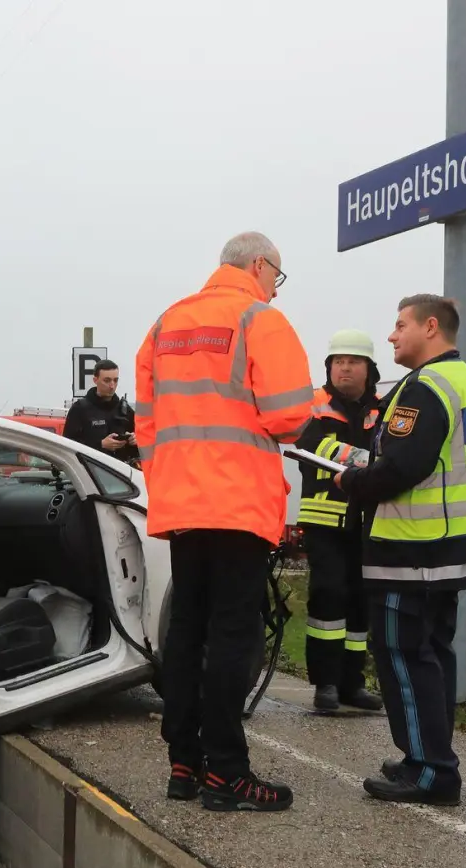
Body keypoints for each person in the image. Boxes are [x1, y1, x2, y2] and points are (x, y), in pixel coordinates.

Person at [134, 231, 315, 812]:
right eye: (277, 277)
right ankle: (228, 774)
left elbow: (146, 424)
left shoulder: (165, 324)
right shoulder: (259, 319)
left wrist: (170, 476)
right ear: (259, 265)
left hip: (182, 505)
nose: (275, 290)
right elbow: (290, 415)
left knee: (186, 632)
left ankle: (184, 764)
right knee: (234, 637)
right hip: (237, 505)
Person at [334, 294, 466, 807]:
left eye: (400, 325)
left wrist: (352, 481)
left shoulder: (424, 387)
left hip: (413, 547)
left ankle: (430, 770)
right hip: (454, 545)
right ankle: (428, 754)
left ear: (431, 327)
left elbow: (402, 467)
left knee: (404, 654)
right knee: (435, 654)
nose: (391, 336)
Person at [294, 329, 385, 713]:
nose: (344, 367)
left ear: (369, 368)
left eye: (353, 361)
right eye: (338, 361)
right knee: (328, 596)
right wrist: (368, 461)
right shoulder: (314, 403)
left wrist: (378, 461)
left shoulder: (384, 407)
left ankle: (352, 683)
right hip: (324, 520)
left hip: (367, 520)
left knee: (360, 602)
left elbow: (394, 449)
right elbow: (311, 445)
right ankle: (325, 684)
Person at [63, 360, 139, 465]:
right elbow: (68, 446)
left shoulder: (125, 410)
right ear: (95, 380)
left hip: (121, 473)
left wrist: (135, 441)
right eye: (107, 380)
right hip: (91, 473)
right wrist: (101, 445)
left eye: (115, 380)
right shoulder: (80, 409)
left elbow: (143, 447)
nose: (112, 385)